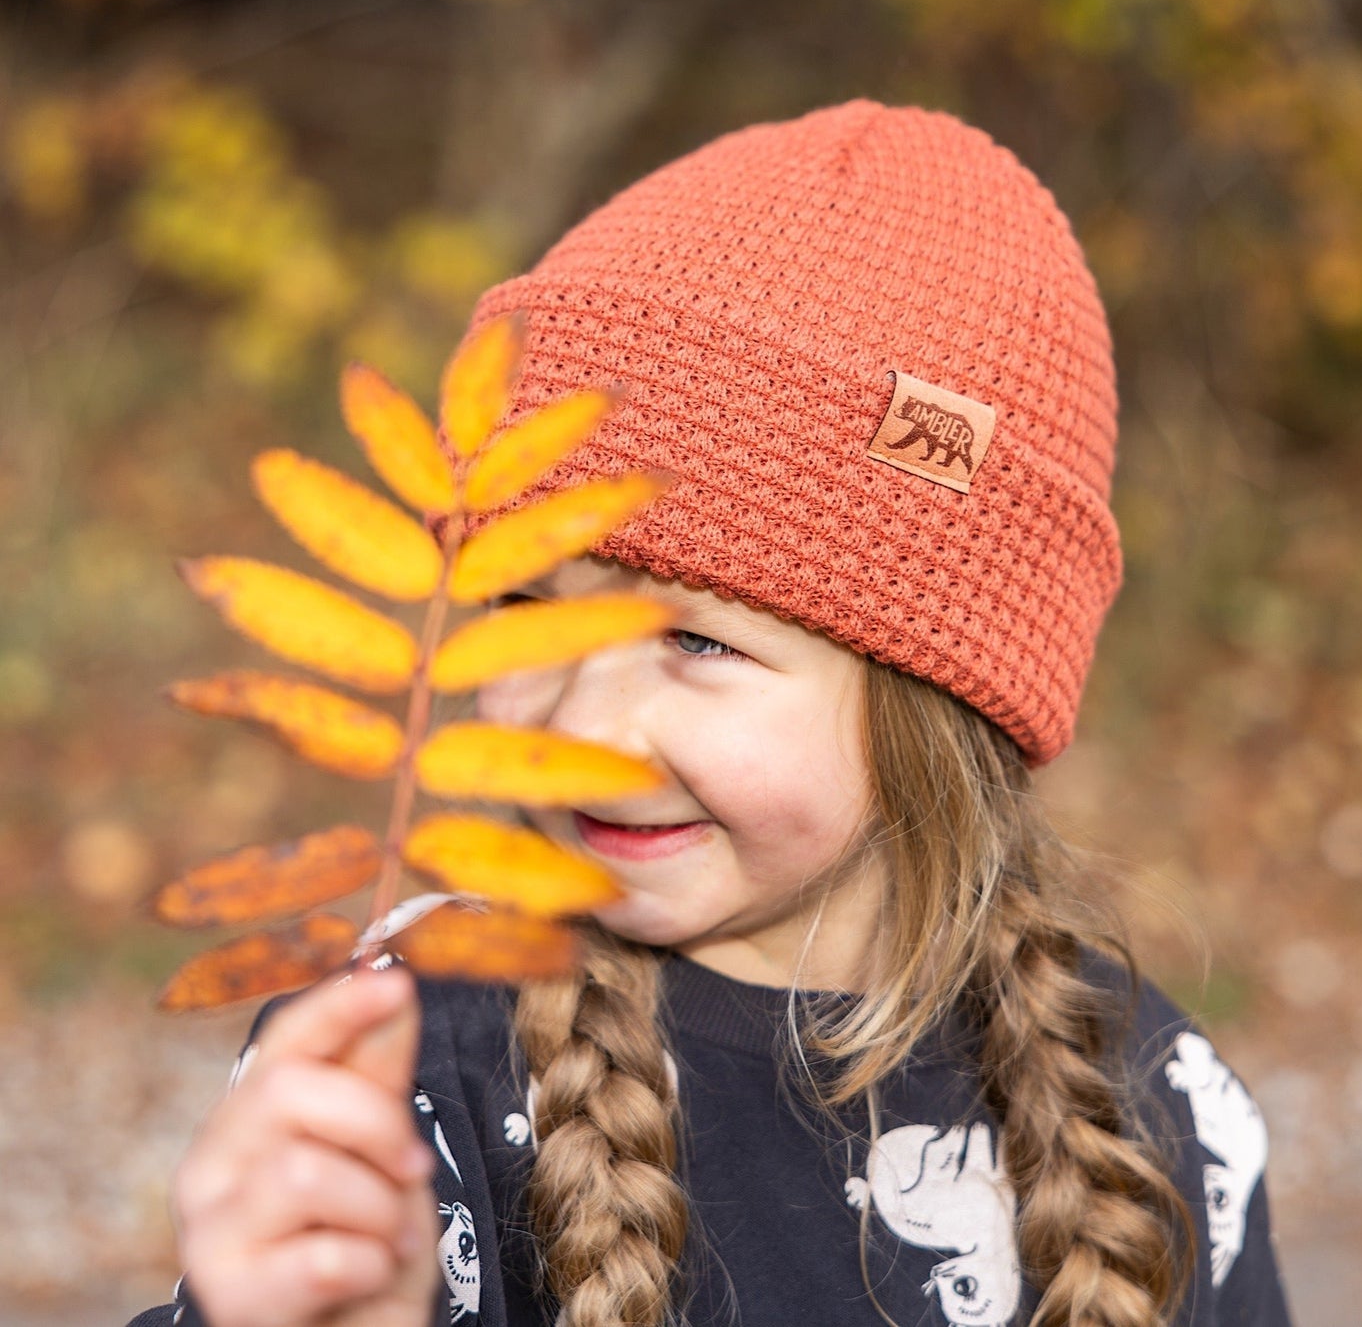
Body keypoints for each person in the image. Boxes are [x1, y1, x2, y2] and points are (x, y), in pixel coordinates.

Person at [128, 101, 1293, 1327]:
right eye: (531, 604)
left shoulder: (1148, 1108)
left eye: (696, 639)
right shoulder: (419, 1055)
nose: (582, 724)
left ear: (937, 704)